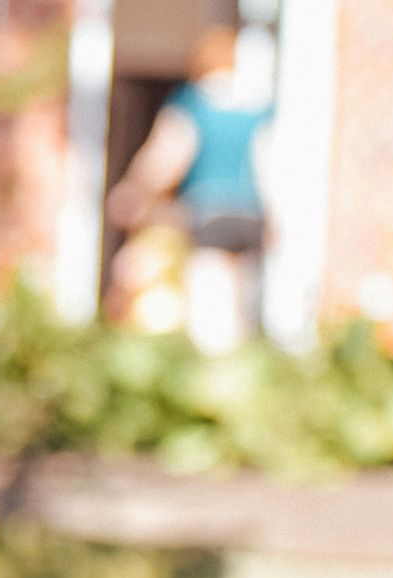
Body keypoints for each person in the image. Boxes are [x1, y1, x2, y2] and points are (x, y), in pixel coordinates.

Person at [106, 26, 273, 354]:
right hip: (250, 213)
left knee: (210, 299)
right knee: (242, 302)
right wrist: (273, 215)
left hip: (209, 209)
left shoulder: (194, 104)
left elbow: (168, 155)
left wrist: (135, 190)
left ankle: (213, 365)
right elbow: (266, 163)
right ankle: (239, 359)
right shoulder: (256, 108)